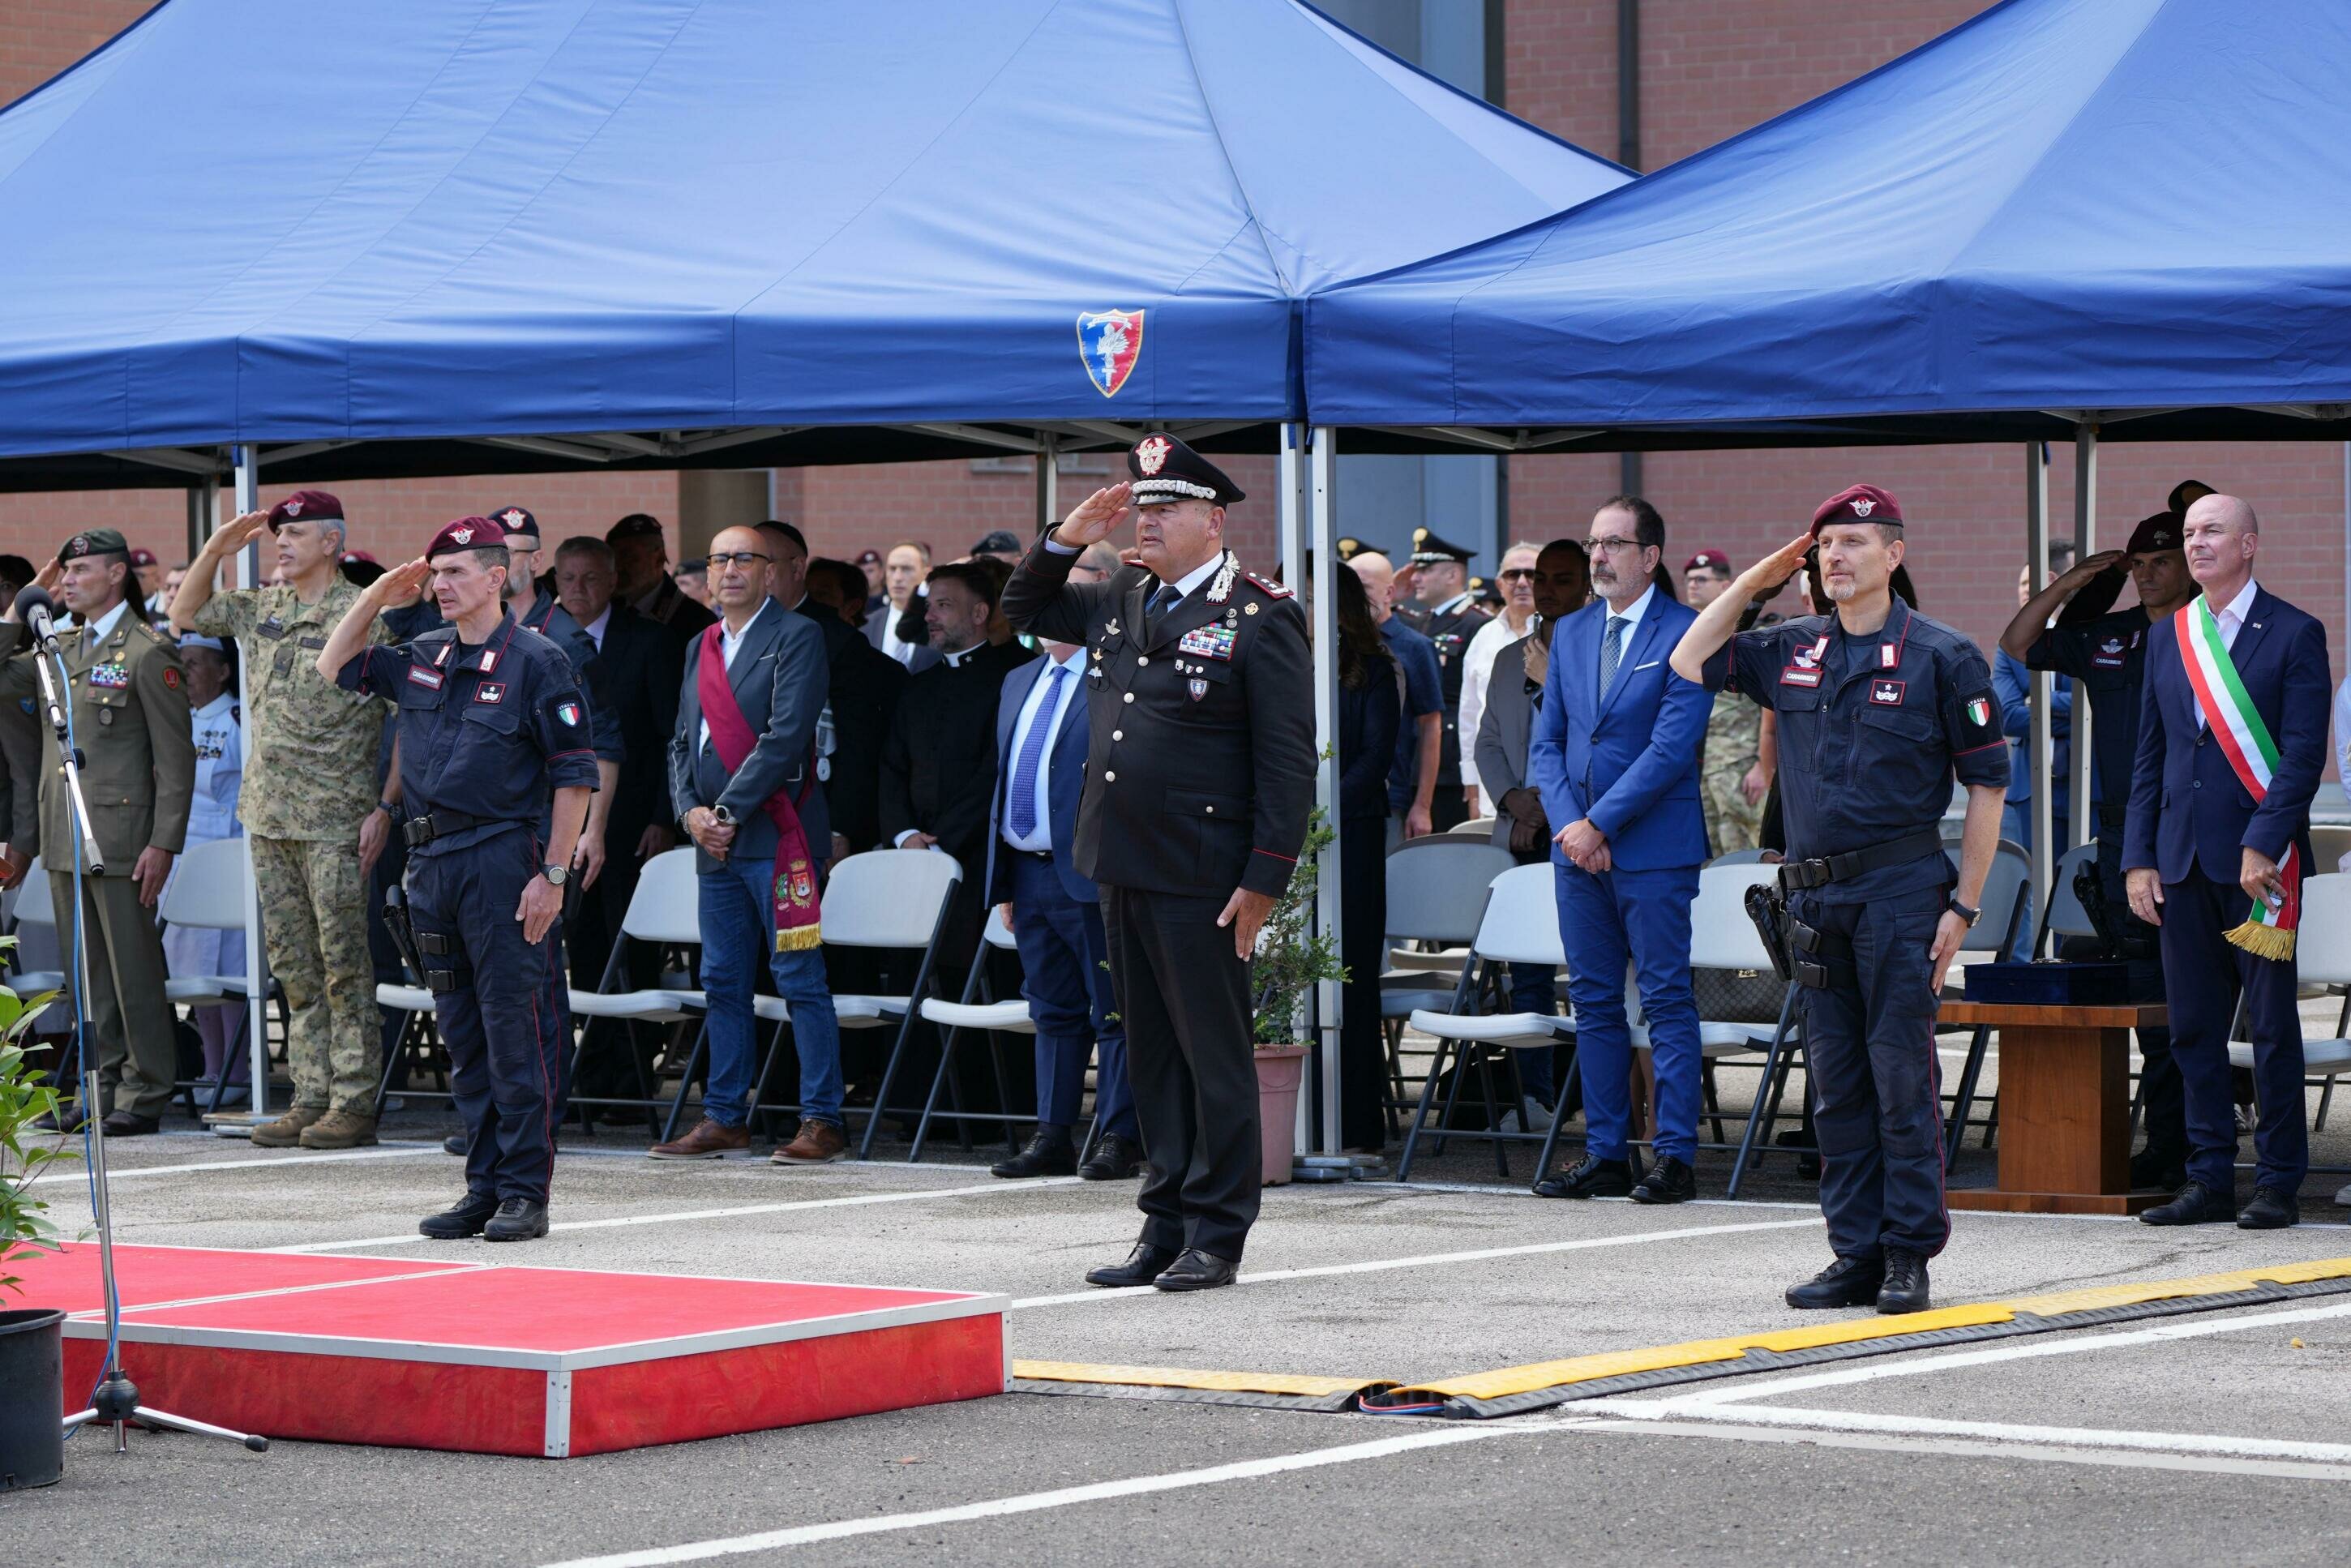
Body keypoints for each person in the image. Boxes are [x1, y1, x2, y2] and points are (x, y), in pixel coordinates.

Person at [1675, 486, 2007, 1314]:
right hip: (1816, 901)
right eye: (1823, 544)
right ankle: (1852, 1251)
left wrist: (1961, 906)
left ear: (1893, 554)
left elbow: (1987, 788)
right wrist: (1759, 574)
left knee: (1899, 1077)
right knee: (1834, 1086)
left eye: (1854, 541)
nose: (1835, 557)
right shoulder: (1788, 646)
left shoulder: (1941, 654)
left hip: (1901, 891)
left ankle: (1906, 1254)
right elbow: (1689, 655)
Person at [1004, 432, 1313, 1292]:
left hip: (1204, 870)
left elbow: (1287, 759)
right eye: (1140, 506)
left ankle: (1218, 1231)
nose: (1144, 520)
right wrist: (1066, 534)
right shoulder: (1121, 594)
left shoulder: (1259, 612)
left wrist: (1263, 878)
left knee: (1211, 1054)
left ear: (1212, 520)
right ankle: (1163, 1219)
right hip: (1122, 858)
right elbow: (1023, 605)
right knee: (1149, 1056)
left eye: (1164, 507)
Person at [321, 518, 597, 1240]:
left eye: (455, 573)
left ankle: (524, 1193)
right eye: (435, 573)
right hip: (431, 866)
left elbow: (574, 778)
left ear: (495, 577)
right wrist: (380, 593)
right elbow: (333, 664)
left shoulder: (539, 661)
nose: (440, 586)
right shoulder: (423, 653)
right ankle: (481, 1186)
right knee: (463, 1038)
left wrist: (554, 876)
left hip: (504, 862)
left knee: (517, 1032)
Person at [2125, 494, 2328, 1232]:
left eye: (2211, 532)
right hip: (2178, 861)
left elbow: (2305, 753)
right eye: (2190, 535)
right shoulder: (2171, 635)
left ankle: (2277, 1180)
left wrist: (2263, 839)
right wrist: (2137, 856)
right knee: (2192, 1029)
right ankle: (2207, 1177)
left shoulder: (2296, 632)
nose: (2197, 545)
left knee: (2271, 1029)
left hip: (2259, 868)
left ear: (2249, 544)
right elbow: (2151, 755)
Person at [173, 491, 397, 1147]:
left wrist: (384, 806)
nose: (283, 543)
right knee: (295, 967)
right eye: (279, 535)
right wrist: (218, 550)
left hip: (335, 814)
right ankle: (311, 1095)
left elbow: (402, 720)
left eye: (296, 533)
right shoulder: (263, 608)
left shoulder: (362, 614)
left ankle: (354, 1101)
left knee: (343, 965)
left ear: (332, 541)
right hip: (269, 812)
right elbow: (185, 612)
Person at [2002, 512, 2195, 1189]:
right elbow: (2020, 643)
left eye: (2161, 560)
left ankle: (2196, 1146)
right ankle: (2166, 1148)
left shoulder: (2209, 633)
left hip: (2188, 832)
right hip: (2120, 834)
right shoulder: (2114, 635)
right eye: (2138, 562)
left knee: (2187, 1001)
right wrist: (2078, 581)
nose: (2147, 573)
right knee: (2143, 995)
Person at [1528, 496, 1710, 1204]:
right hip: (1578, 852)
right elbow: (1549, 744)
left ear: (1651, 557)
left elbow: (1671, 748)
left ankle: (1675, 1157)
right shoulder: (1571, 633)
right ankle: (1606, 1152)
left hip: (1653, 847)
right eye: (1594, 543)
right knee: (1596, 1002)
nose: (1598, 557)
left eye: (1613, 545)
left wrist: (1597, 824)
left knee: (1665, 999)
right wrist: (1574, 827)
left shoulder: (1687, 631)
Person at [653, 526, 848, 1165]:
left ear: (771, 573)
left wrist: (727, 812)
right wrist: (691, 815)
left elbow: (786, 735)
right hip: (716, 845)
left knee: (799, 977)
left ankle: (822, 1118)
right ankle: (725, 1115)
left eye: (745, 558)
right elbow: (681, 743)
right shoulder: (699, 644)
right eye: (719, 559)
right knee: (723, 979)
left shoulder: (797, 636)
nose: (730, 569)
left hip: (777, 837)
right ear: (706, 575)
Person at [0, 529, 194, 1135]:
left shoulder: (146, 650)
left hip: (123, 835)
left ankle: (145, 1090)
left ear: (115, 575)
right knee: (87, 973)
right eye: (66, 570)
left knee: (131, 969)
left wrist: (165, 842)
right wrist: (24, 601)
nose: (68, 580)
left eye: (81, 569)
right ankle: (103, 1087)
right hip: (64, 833)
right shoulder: (58, 648)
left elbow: (175, 758)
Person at [981, 625, 1143, 1180]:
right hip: (1028, 873)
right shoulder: (1019, 678)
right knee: (1050, 1010)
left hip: (1093, 873)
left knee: (1113, 1009)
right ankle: (1052, 1133)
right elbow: (1005, 776)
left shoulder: (1116, 677)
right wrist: (1003, 879)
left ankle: (1120, 1135)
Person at [1473, 538, 1591, 1114]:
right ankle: (1534, 1096)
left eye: (1562, 580)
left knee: (1597, 972)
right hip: (1520, 830)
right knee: (1529, 975)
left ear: (1589, 587)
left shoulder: (1601, 652)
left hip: (1583, 829)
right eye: (1541, 579)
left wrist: (1543, 804)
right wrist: (1515, 801)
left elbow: (1588, 735)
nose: (1545, 590)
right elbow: (1488, 741)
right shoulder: (1506, 658)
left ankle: (1609, 1099)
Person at [546, 535, 683, 992]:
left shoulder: (650, 642)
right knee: (579, 943)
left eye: (589, 578)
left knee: (632, 947)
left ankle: (636, 1061)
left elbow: (671, 736)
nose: (577, 587)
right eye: (568, 578)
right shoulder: (541, 642)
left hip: (633, 822)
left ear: (612, 582)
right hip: (562, 822)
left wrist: (666, 817)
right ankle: (591, 1063)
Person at [880, 563, 1034, 965]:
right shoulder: (918, 686)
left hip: (979, 860)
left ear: (980, 613)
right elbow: (892, 768)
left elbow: (997, 772)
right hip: (912, 858)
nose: (928, 616)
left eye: (943, 606)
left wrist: (941, 841)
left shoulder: (1015, 675)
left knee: (970, 972)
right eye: (929, 606)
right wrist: (905, 834)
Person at [765, 526, 906, 859]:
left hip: (818, 807)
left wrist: (840, 826)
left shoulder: (839, 642)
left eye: (824, 594)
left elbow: (858, 743)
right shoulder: (736, 632)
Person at [1325, 563, 1401, 1153]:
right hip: (1278, 837)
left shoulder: (1373, 669)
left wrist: (1314, 817)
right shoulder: (1271, 664)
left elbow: (1376, 759)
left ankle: (1352, 1122)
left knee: (1349, 978)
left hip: (1351, 833)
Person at [161, 633, 247, 1103]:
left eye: (195, 664)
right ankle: (211, 1068)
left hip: (227, 858)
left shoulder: (236, 720)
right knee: (194, 972)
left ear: (222, 671)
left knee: (231, 972)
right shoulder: (180, 720)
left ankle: (234, 1074)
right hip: (184, 859)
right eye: (182, 663)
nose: (186, 673)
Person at [1348, 551, 1441, 844]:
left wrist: (1422, 806)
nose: (1352, 598)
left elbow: (1431, 727)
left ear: (1389, 592)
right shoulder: (1334, 641)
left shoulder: (1415, 647)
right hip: (1336, 791)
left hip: (1392, 799)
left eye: (1362, 589)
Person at [1401, 529, 1490, 829]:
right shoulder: (1420, 622)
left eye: (1425, 570)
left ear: (1453, 575)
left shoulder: (1477, 624)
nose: (1415, 578)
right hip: (1417, 758)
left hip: (1452, 764)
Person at [1682, 549, 1768, 855]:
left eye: (1702, 579)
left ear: (1725, 586)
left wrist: (1762, 764)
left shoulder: (1750, 636)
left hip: (1741, 765)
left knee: (1751, 853)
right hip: (1705, 768)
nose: (1693, 586)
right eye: (1690, 580)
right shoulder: (1686, 639)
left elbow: (1769, 706)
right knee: (1713, 857)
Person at [1996, 548, 2074, 857]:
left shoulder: (2083, 639)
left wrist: (2039, 702)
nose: (2026, 589)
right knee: (2032, 887)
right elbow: (2008, 717)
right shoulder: (2008, 648)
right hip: (2030, 790)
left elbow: (2096, 707)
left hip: (2088, 787)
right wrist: (2074, 715)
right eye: (2022, 583)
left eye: (2033, 581)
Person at [1457, 542, 1542, 817]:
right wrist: (1470, 781)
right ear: (1499, 584)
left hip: (1543, 788)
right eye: (1512, 575)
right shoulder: (1483, 637)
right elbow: (1469, 714)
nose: (1521, 583)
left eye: (1531, 574)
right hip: (1492, 790)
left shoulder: (1562, 633)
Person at [607, 514, 717, 643]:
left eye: (628, 556)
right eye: (613, 558)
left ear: (658, 558)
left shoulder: (697, 621)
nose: (618, 567)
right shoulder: (607, 609)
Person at [868, 542, 936, 670]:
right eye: (892, 569)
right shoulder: (867, 625)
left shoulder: (941, 623)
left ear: (927, 574)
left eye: (907, 569)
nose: (898, 577)